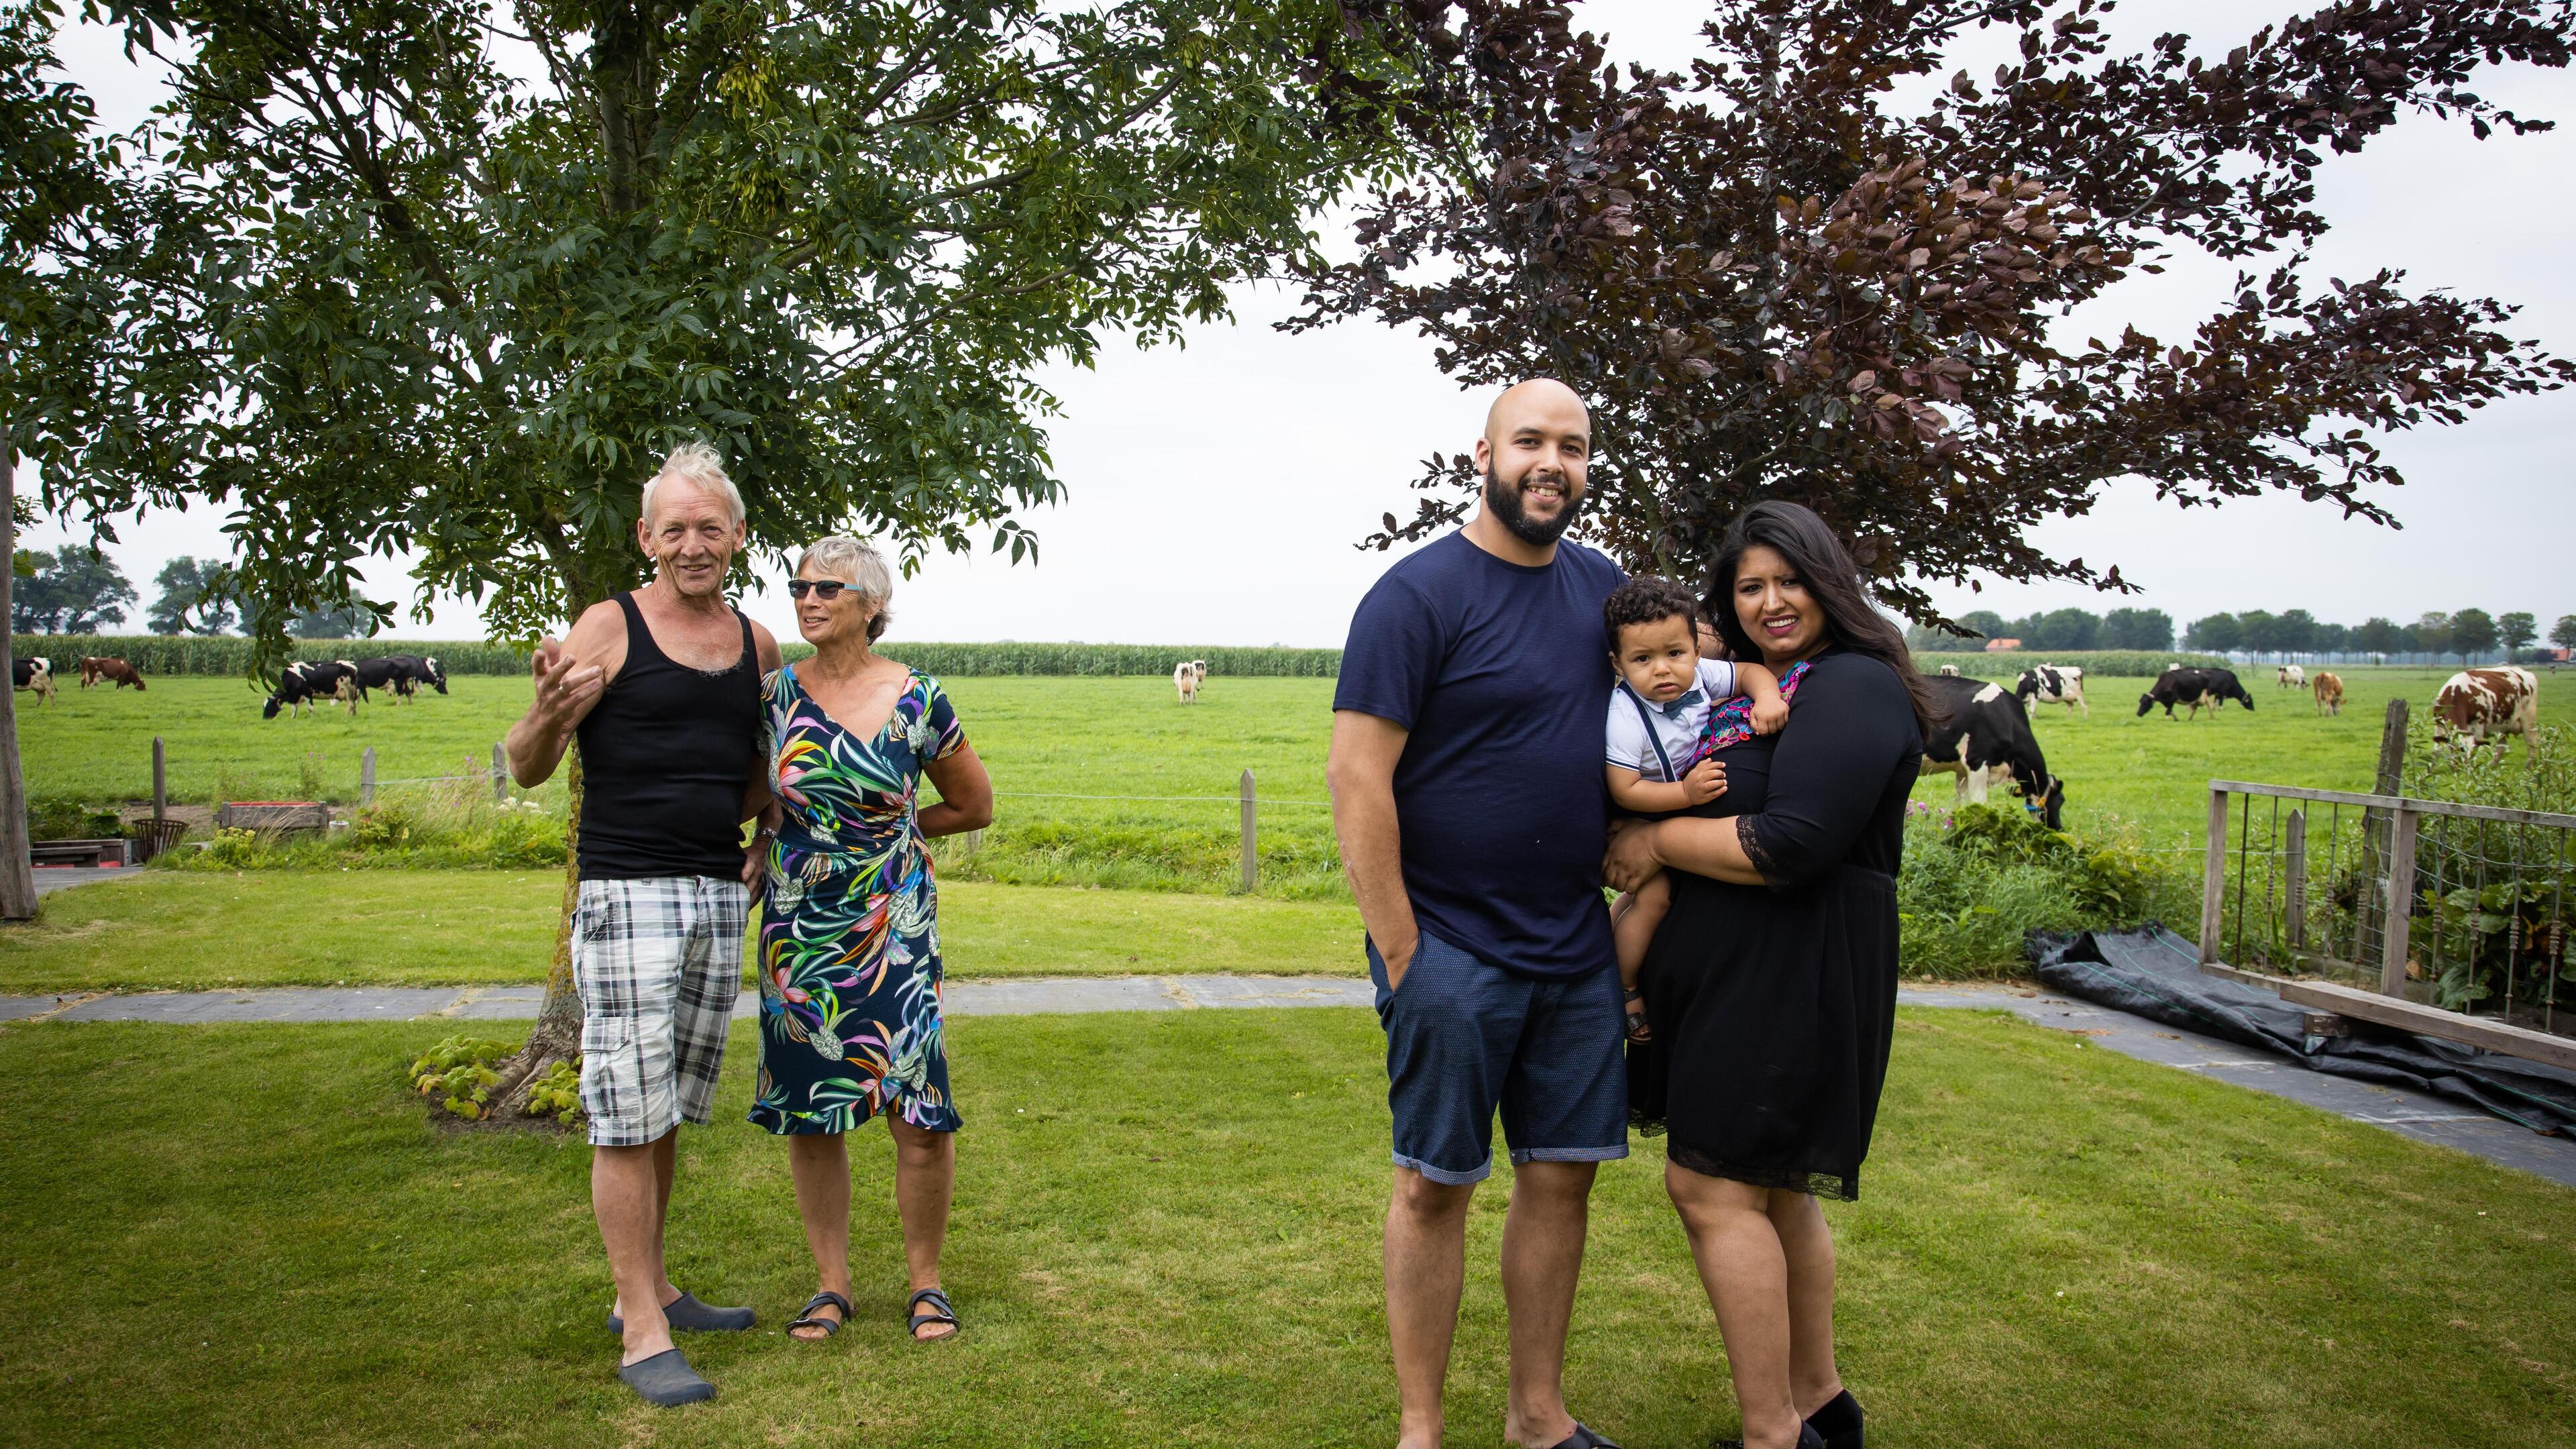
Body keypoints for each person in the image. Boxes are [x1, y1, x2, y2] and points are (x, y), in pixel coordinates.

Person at [1327, 378, 1630, 1449]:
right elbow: (1357, 776)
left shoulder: (1604, 593)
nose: (1553, 463)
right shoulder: (1416, 598)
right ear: (1484, 454)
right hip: (1451, 948)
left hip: (1576, 950)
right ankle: (1423, 1428)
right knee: (1432, 1188)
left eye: (1575, 446)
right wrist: (1404, 948)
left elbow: (1665, 706)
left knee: (1562, 1182)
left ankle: (1537, 1417)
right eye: (1531, 442)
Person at [1603, 500, 1937, 1449]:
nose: (1771, 601)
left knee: (1712, 1189)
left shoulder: (1855, 687)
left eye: (1789, 580)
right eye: (1750, 587)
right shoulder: (1769, 685)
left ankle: (1771, 1437)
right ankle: (1822, 1409)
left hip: (1796, 967)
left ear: (1829, 579)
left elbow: (1792, 842)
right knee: (1769, 1188)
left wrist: (1653, 836)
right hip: (1740, 969)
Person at [504, 442, 784, 1408]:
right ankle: (642, 1330)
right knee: (626, 1109)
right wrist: (545, 715)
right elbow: (525, 764)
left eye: (710, 527)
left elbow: (755, 771)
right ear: (645, 538)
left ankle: (655, 1288)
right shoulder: (608, 624)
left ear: (738, 535)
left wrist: (772, 821)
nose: (693, 545)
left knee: (666, 1105)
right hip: (627, 895)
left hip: (714, 894)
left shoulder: (756, 644)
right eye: (675, 529)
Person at [745, 536, 994, 1347]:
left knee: (917, 1115)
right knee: (815, 1111)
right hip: (801, 926)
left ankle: (927, 1284)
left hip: (896, 924)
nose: (808, 598)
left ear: (871, 605)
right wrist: (757, 842)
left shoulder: (921, 698)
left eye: (828, 587)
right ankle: (831, 1286)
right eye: (799, 586)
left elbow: (974, 805)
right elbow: (756, 793)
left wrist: (895, 832)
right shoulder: (774, 696)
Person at [1598, 576, 1786, 1041]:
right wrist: (1685, 794)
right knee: (1655, 897)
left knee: (1643, 897)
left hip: (1672, 802)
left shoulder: (1699, 676)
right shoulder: (1623, 715)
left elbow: (1749, 673)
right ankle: (1623, 986)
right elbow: (1624, 787)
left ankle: (1601, 953)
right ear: (1617, 663)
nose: (1663, 671)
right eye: (1643, 660)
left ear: (1695, 653)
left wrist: (1768, 697)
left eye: (1675, 654)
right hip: (1646, 806)